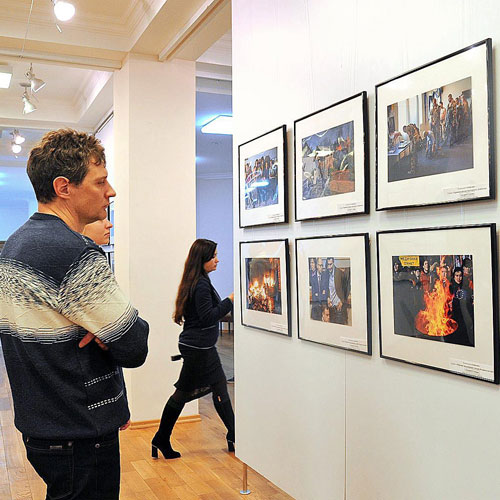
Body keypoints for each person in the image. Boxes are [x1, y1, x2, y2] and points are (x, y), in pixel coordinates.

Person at [0, 129, 149, 500]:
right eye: (100, 182)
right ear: (64, 187)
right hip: (80, 431)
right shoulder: (73, 252)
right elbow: (133, 344)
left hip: (42, 425)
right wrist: (105, 331)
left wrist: (98, 331)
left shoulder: (13, 245)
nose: (110, 191)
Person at [152, 239, 235, 460]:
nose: (218, 260)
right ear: (203, 259)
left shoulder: (199, 280)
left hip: (201, 346)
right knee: (182, 394)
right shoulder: (200, 284)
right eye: (214, 256)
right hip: (198, 349)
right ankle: (161, 438)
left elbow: (204, 315)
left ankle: (234, 435)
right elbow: (209, 316)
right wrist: (230, 300)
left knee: (220, 388)